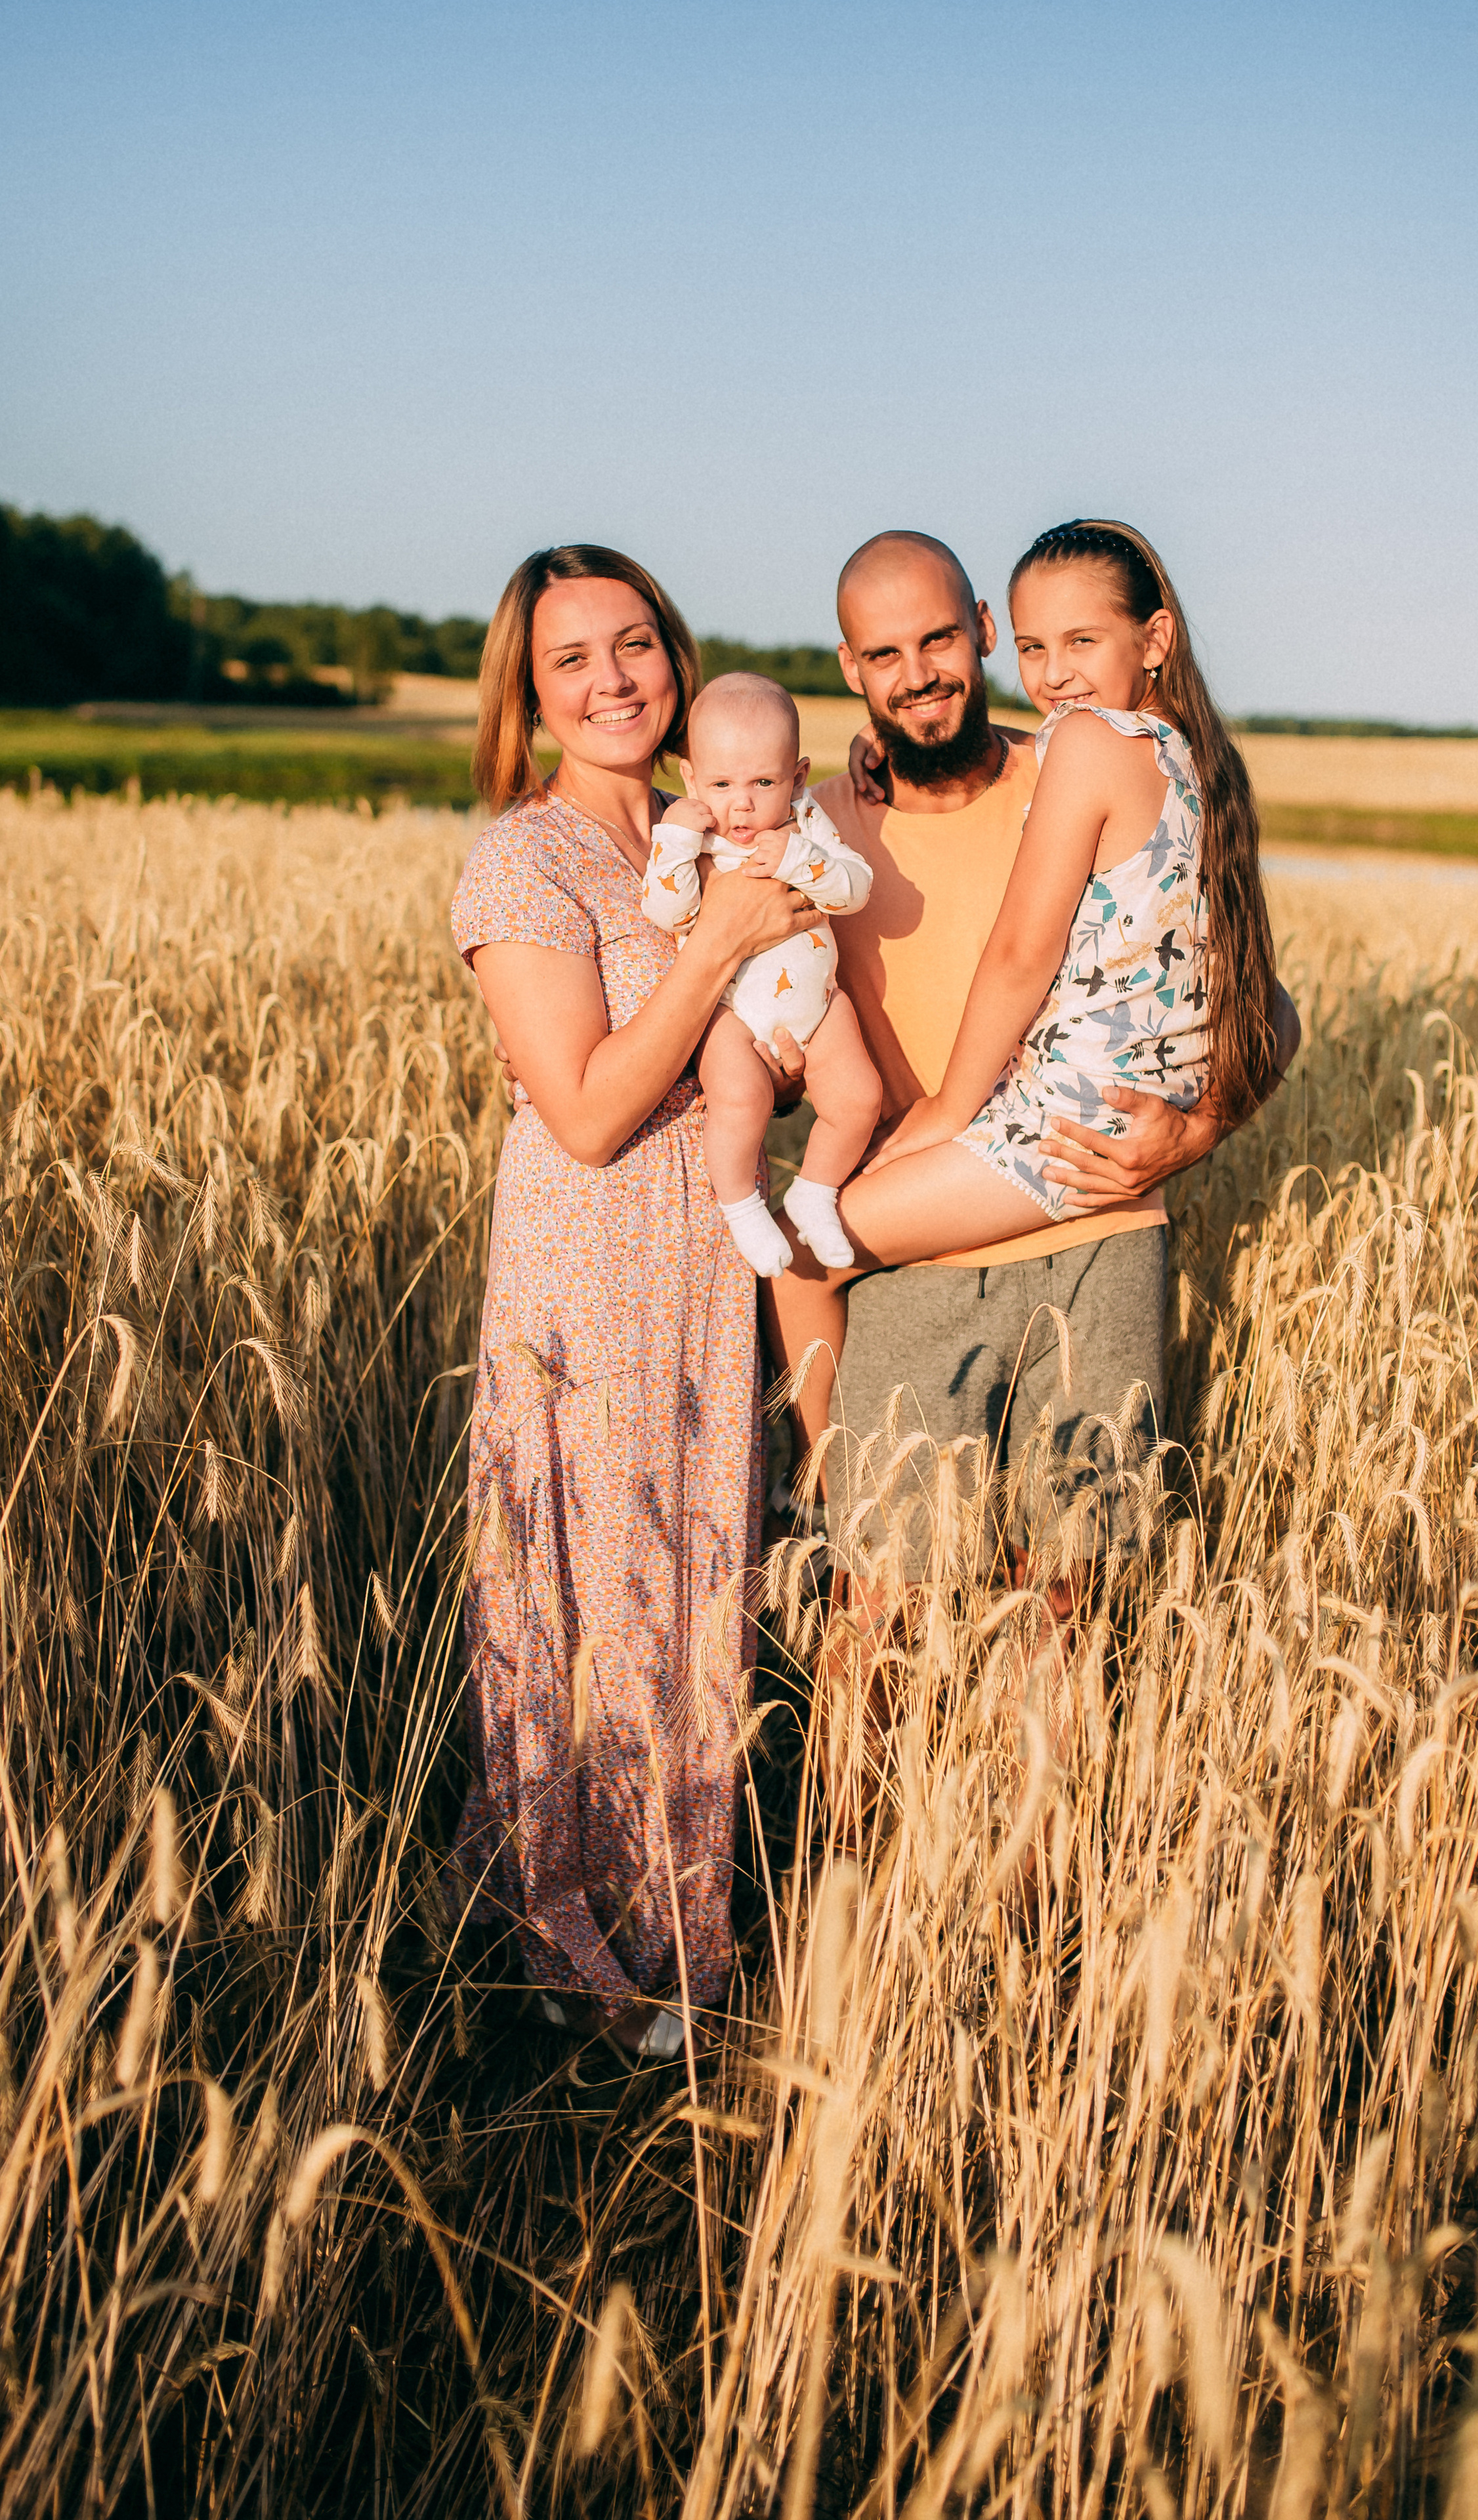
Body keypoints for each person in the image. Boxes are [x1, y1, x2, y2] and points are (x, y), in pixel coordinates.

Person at [448, 543, 822, 2060]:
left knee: (688, 1574)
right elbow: (591, 1108)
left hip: (697, 1256)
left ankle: (681, 1918)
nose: (611, 681)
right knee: (590, 1580)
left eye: (634, 645)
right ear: (527, 693)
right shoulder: (518, 862)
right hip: (586, 1262)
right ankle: (565, 1932)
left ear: (673, 653)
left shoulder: (707, 823)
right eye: (570, 661)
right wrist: (726, 940)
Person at [763, 526, 1300, 1578]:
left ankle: (811, 1499)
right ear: (853, 673)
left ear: (978, 632)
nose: (917, 677)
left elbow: (1260, 1009)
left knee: (1064, 1599)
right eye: (885, 657)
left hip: (1080, 1203)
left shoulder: (1071, 754)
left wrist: (1189, 1136)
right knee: (886, 1613)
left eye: (937, 642)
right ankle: (826, 1495)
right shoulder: (824, 824)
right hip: (954, 1240)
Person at [641, 673, 879, 1278]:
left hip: (821, 1007)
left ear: (797, 778)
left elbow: (855, 889)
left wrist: (801, 858)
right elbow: (667, 913)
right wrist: (673, 844)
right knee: (740, 1098)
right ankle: (743, 1207)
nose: (741, 804)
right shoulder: (694, 837)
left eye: (763, 782)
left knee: (860, 1099)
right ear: (691, 779)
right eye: (720, 784)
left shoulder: (805, 823)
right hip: (730, 1013)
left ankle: (815, 1194)